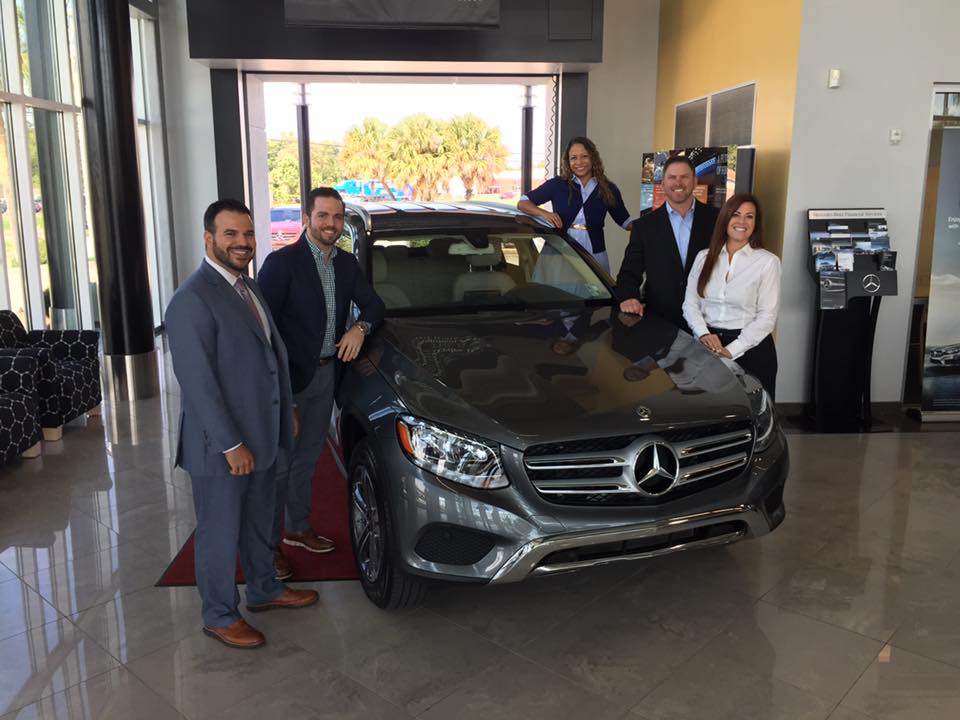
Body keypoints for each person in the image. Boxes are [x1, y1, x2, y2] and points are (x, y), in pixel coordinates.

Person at [165, 199, 318, 650]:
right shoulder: (191, 300)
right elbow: (199, 385)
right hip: (222, 446)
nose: (242, 242)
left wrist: (286, 408)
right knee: (220, 531)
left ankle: (264, 588)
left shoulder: (247, 287)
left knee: (258, 521)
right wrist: (231, 444)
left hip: (262, 432)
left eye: (248, 233)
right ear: (208, 238)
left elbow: (270, 357)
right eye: (230, 234)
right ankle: (219, 614)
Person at [258, 187, 385, 580]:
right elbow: (263, 331)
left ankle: (297, 528)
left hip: (327, 374)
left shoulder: (345, 264)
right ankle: (268, 548)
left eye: (337, 217)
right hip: (290, 379)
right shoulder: (281, 264)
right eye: (323, 216)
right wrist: (280, 394)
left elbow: (374, 304)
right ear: (306, 219)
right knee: (279, 466)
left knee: (308, 459)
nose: (331, 224)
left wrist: (360, 328)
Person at [682, 192, 781, 397]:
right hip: (707, 345)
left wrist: (731, 350)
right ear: (725, 219)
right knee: (707, 410)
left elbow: (767, 317)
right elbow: (690, 304)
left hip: (751, 350)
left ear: (755, 223)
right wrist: (703, 334)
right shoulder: (703, 257)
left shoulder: (768, 262)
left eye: (749, 216)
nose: (742, 222)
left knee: (754, 411)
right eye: (736, 214)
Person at [616, 155, 720, 329]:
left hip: (708, 319)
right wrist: (629, 297)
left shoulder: (717, 219)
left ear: (695, 181)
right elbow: (629, 273)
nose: (678, 182)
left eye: (684, 177)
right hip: (661, 321)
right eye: (672, 177)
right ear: (663, 184)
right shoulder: (644, 227)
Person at [518, 136, 634, 273]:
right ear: (568, 161)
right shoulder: (557, 184)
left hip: (594, 252)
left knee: (594, 286)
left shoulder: (608, 189)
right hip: (559, 252)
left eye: (584, 156)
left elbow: (625, 222)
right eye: (573, 158)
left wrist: (651, 223)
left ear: (593, 158)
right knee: (558, 286)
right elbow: (523, 203)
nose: (579, 162)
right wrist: (545, 214)